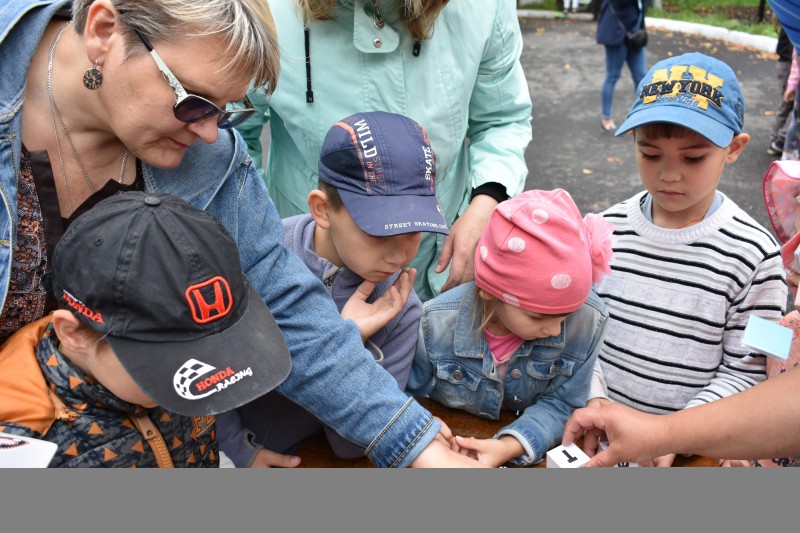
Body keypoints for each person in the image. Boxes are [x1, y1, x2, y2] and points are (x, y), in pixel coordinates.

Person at [0, 0, 482, 468]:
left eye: (228, 110)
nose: (210, 134)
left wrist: (411, 441)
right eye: (193, 101)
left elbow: (286, 306)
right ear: (105, 31)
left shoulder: (212, 156)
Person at [234, 0, 533, 302]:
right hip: (308, 268)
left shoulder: (483, 7)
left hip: (437, 263)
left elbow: (502, 118)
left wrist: (487, 199)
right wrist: (260, 244)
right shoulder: (265, 8)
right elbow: (232, 132)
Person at [586, 53, 788, 467]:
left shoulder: (757, 255)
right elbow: (580, 333)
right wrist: (596, 399)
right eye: (650, 153)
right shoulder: (603, 229)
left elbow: (752, 372)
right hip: (597, 434)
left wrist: (676, 432)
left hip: (689, 456)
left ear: (734, 148)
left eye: (693, 158)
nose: (669, 175)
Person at [217, 110, 449, 466]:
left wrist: (353, 342)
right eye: (380, 230)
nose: (400, 253)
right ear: (322, 209)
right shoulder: (259, 257)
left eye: (415, 231)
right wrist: (237, 447)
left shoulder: (400, 308)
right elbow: (205, 359)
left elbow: (351, 446)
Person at [0, 192, 293, 467]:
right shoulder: (23, 447)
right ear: (74, 333)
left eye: (211, 348)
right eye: (167, 360)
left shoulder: (136, 376)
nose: (205, 370)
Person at [406, 188, 614, 467]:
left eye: (565, 316)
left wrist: (509, 446)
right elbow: (406, 399)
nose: (554, 330)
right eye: (538, 318)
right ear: (490, 292)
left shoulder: (587, 320)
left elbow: (563, 404)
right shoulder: (434, 325)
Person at [562, 366, 800, 467]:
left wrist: (666, 435)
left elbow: (744, 371)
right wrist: (595, 392)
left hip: (691, 459)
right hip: (592, 435)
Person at [596, 0, 647, 134]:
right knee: (612, 76)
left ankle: (641, 116)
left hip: (636, 33)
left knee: (641, 77)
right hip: (616, 32)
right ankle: (606, 117)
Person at [767, 28, 794, 157]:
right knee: (790, 105)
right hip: (790, 66)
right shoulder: (794, 23)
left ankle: (776, 137)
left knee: (785, 105)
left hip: (784, 64)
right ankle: (780, 140)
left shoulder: (788, 20)